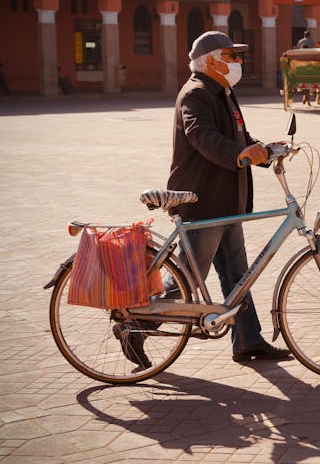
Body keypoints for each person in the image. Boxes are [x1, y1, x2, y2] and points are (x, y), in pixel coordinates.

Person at [116, 31, 291, 369]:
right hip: (205, 200)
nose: (238, 62)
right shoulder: (195, 94)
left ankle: (247, 339)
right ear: (211, 60)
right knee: (189, 276)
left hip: (227, 200)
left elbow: (237, 137)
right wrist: (240, 153)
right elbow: (202, 136)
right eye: (232, 55)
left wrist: (263, 151)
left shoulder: (222, 91)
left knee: (237, 273)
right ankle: (136, 324)